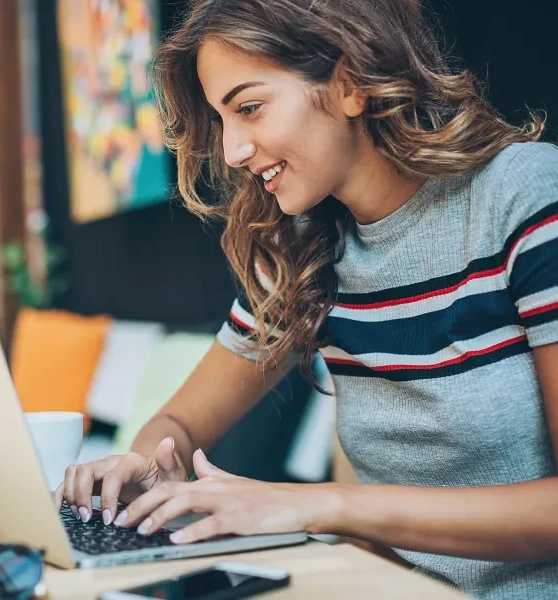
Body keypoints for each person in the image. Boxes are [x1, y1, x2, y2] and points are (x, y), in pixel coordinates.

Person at [54, 1, 558, 598]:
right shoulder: (305, 250)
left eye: (249, 108)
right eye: (222, 121)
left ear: (350, 83)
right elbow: (179, 423)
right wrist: (144, 462)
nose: (235, 150)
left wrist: (316, 506)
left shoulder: (522, 199)